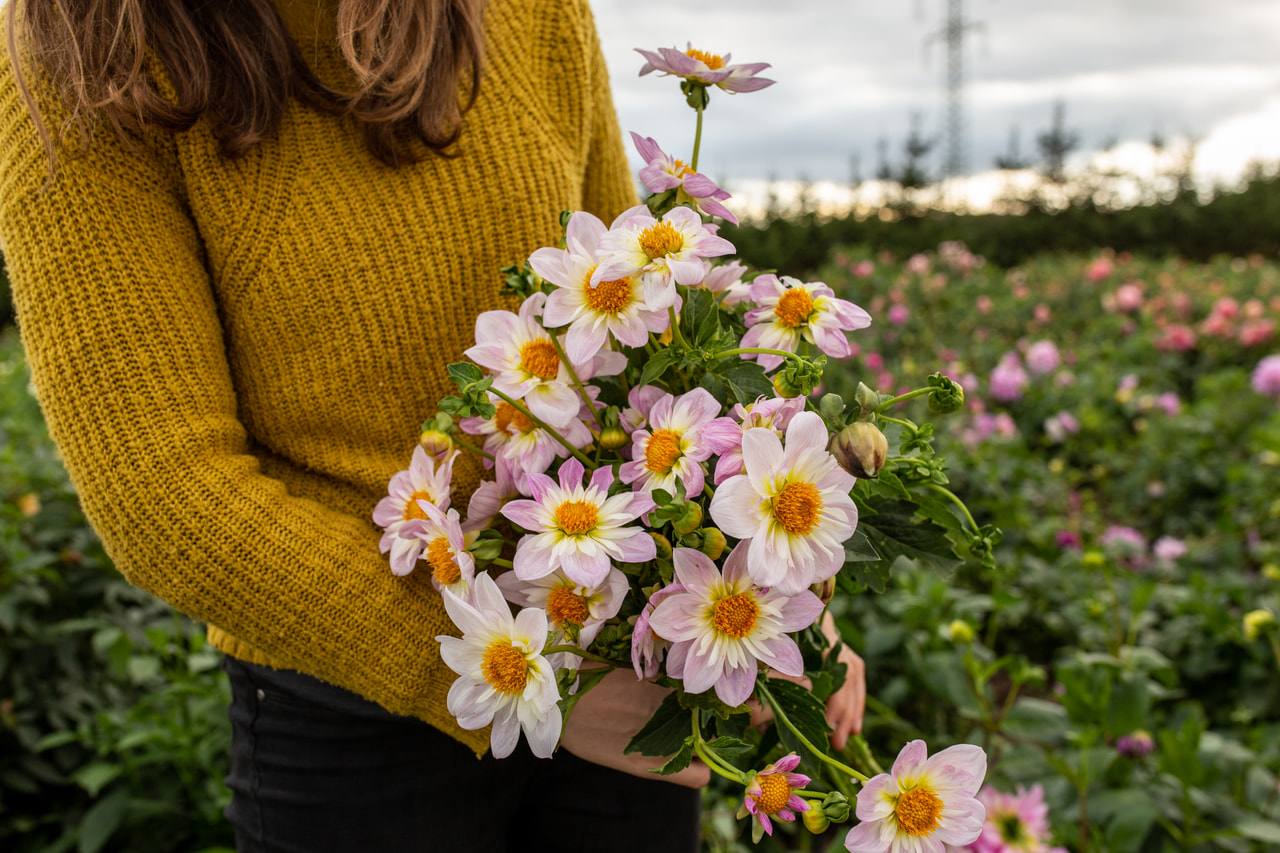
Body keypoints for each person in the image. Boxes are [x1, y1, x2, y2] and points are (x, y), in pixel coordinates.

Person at [0, 0, 866, 850]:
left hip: (616, 635)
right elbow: (160, 491)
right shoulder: (82, 55)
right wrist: (535, 678)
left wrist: (767, 586)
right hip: (352, 709)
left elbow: (637, 335)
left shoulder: (534, 13)